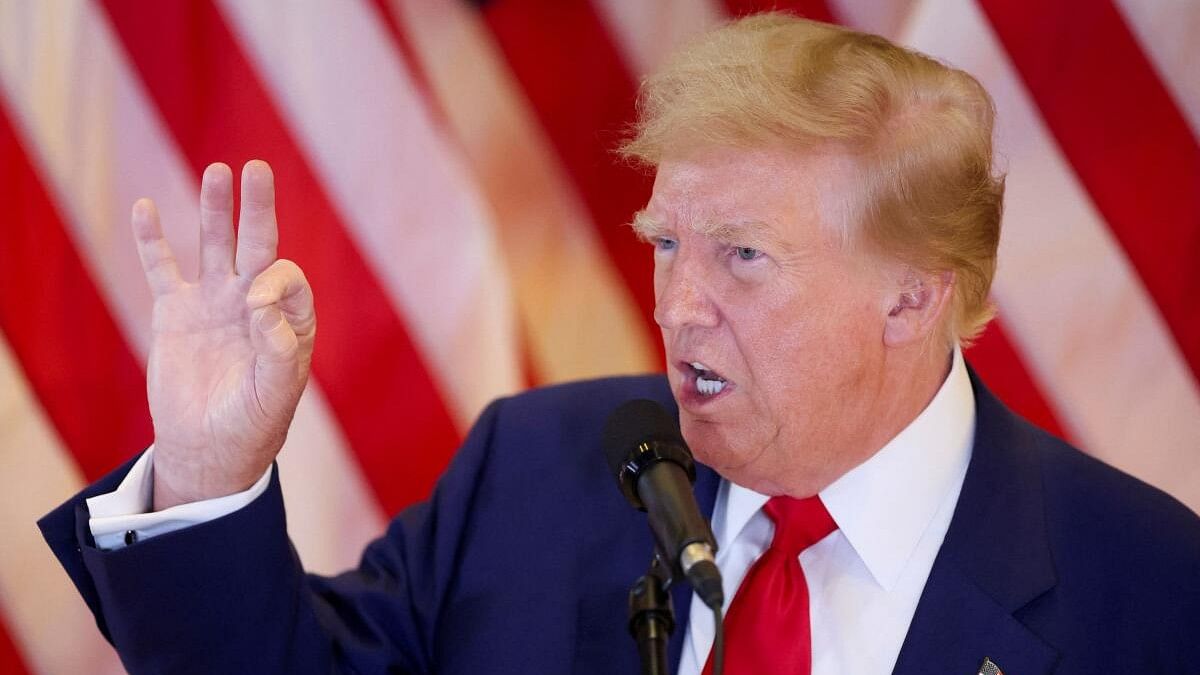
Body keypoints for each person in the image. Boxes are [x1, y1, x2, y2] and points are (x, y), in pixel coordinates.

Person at [39, 13, 1200, 675]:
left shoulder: (1145, 588)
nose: (680, 304)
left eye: (743, 257)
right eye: (663, 244)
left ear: (912, 297)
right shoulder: (538, 470)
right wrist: (205, 470)